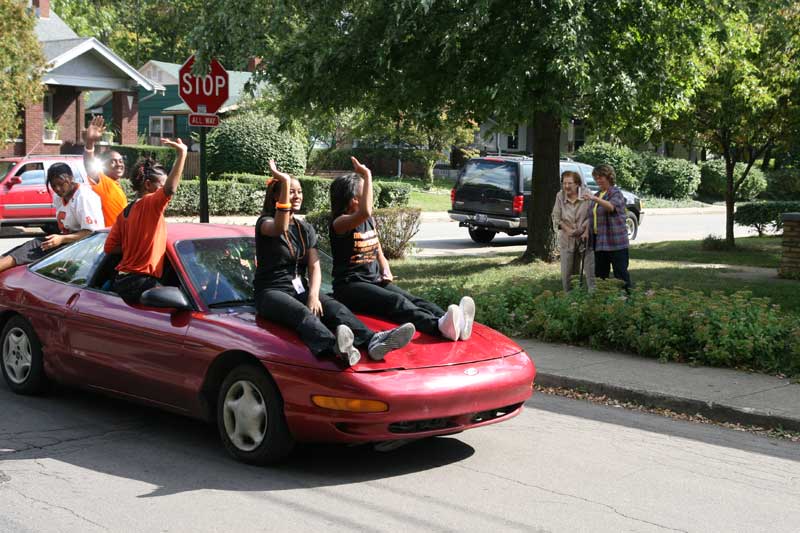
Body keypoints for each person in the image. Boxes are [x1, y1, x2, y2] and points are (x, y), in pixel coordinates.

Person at [255, 160, 415, 366]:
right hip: (271, 292)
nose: (297, 196)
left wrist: (313, 295)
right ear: (277, 196)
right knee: (302, 314)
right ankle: (336, 348)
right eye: (290, 191)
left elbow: (314, 266)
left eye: (299, 192)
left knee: (333, 308)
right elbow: (279, 227)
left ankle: (372, 340)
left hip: (299, 288)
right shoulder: (265, 223)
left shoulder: (305, 228)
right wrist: (285, 180)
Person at [330, 157, 475, 341]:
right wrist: (367, 174)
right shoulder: (340, 223)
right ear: (353, 200)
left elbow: (375, 244)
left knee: (412, 299)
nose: (371, 195)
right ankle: (437, 327)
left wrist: (384, 265)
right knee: (395, 302)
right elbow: (366, 211)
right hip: (349, 287)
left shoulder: (367, 219)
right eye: (365, 191)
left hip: (373, 280)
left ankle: (453, 321)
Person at [104, 138, 187, 303]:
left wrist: (136, 246)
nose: (162, 191)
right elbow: (170, 189)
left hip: (122, 281)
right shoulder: (151, 203)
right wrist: (182, 154)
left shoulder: (125, 212)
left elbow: (110, 247)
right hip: (141, 282)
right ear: (148, 185)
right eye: (160, 186)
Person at [0, 163, 103, 274]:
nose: (57, 189)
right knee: (24, 249)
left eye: (61, 184)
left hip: (85, 246)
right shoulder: (59, 197)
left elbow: (92, 234)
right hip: (68, 241)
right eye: (53, 186)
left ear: (71, 178)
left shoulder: (84, 197)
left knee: (33, 247)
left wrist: (62, 239)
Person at [582, 164, 632, 290]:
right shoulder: (598, 194)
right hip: (600, 242)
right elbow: (592, 216)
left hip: (616, 243)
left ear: (609, 177)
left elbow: (610, 207)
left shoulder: (616, 193)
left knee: (620, 275)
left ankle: (628, 300)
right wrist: (586, 230)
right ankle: (604, 303)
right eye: (596, 178)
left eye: (601, 177)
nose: (598, 180)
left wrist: (593, 198)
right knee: (601, 275)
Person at [552, 170, 595, 292]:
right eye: (564, 183)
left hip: (585, 237)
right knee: (567, 272)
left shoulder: (586, 194)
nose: (566, 186)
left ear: (577, 184)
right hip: (567, 238)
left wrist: (585, 230)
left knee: (590, 271)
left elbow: (592, 215)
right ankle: (570, 299)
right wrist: (567, 230)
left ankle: (593, 296)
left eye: (570, 183)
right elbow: (556, 217)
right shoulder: (560, 196)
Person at [83, 116, 128, 226]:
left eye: (121, 161)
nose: (119, 164)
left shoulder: (116, 184)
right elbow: (89, 166)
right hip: (107, 238)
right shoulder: (102, 181)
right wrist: (90, 143)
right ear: (103, 165)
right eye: (113, 161)